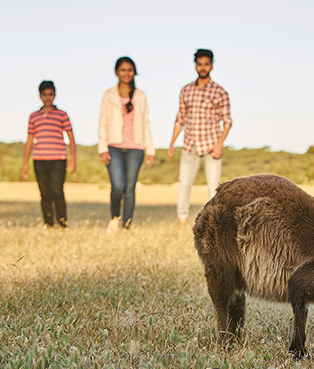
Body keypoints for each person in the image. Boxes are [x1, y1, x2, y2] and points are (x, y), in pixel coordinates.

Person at [167, 49, 232, 228]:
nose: (203, 68)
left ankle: (213, 223)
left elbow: (227, 121)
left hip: (211, 145)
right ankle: (182, 219)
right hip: (189, 144)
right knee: (185, 184)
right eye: (200, 64)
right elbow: (180, 119)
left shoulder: (220, 92)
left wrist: (219, 145)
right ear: (196, 66)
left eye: (206, 64)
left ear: (211, 66)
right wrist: (172, 143)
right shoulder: (186, 91)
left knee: (214, 187)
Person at [98, 57, 155, 233]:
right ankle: (114, 218)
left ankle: (127, 224)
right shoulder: (109, 95)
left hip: (135, 148)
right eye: (123, 70)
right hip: (113, 146)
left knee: (130, 188)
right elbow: (103, 122)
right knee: (118, 186)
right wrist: (102, 148)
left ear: (134, 72)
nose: (126, 73)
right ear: (116, 72)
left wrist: (150, 150)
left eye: (130, 70)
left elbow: (146, 123)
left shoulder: (140, 96)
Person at [21, 80, 77, 228]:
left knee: (57, 191)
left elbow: (71, 137)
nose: (48, 98)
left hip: (58, 158)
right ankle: (48, 223)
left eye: (50, 94)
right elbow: (29, 140)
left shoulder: (62, 115)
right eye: (45, 94)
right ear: (40, 95)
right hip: (39, 159)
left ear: (55, 95)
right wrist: (25, 163)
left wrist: (73, 159)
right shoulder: (34, 116)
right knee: (44, 193)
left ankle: (62, 222)